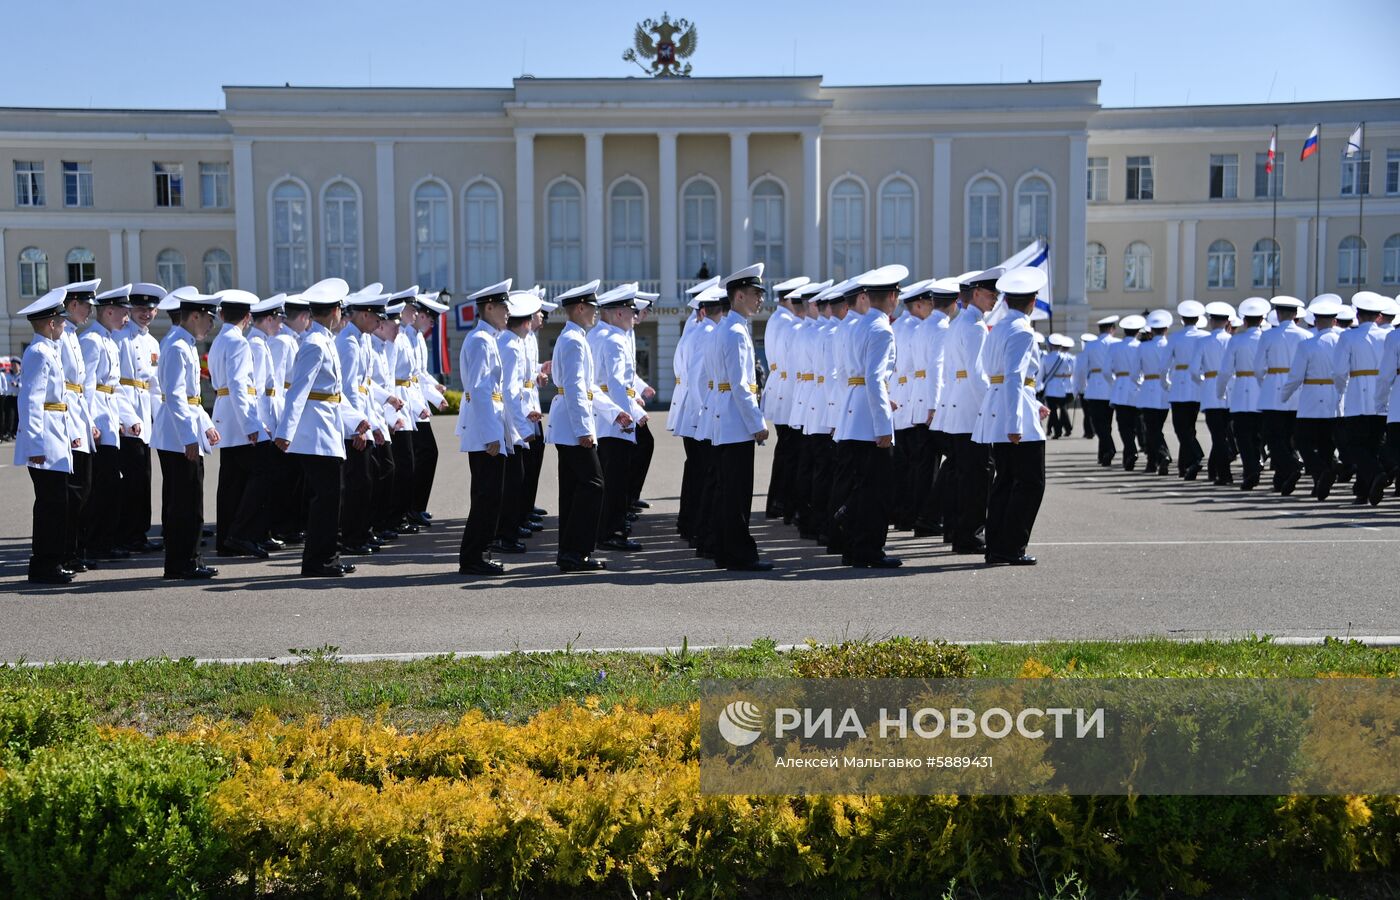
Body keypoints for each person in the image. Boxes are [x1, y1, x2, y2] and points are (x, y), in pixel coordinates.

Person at [275, 277, 361, 578]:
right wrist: (285, 432)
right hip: (315, 435)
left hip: (328, 428)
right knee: (325, 499)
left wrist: (357, 420)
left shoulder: (324, 340)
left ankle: (329, 555)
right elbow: (298, 391)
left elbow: (334, 394)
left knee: (332, 497)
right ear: (336, 310)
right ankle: (318, 560)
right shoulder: (314, 343)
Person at [546, 280, 629, 572]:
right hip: (572, 425)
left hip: (569, 422)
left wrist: (614, 411)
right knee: (594, 484)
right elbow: (575, 389)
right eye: (592, 307)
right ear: (580, 308)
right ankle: (577, 550)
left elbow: (588, 387)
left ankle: (569, 552)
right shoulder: (573, 340)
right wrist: (584, 430)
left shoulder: (575, 338)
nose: (596, 312)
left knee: (573, 487)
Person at [975, 267, 1050, 566]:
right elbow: (1015, 377)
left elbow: (999, 374)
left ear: (1006, 301)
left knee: (1005, 481)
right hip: (1014, 414)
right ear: (1032, 301)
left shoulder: (1000, 327)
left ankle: (996, 545)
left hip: (1005, 406)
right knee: (1030, 482)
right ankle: (1011, 545)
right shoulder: (1021, 330)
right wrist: (1015, 423)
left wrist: (1032, 402)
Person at [834, 264, 908, 568]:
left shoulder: (858, 325)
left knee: (860, 484)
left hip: (853, 411)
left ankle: (853, 546)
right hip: (868, 420)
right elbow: (875, 378)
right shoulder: (880, 328)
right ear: (892, 296)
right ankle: (870, 549)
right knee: (877, 489)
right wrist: (883, 425)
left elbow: (848, 375)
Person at [704, 264, 774, 572]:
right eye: (756, 294)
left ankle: (725, 550)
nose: (760, 299)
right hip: (735, 423)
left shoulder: (728, 328)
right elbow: (741, 386)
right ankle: (738, 553)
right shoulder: (734, 332)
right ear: (740, 295)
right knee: (736, 494)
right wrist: (757, 424)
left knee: (728, 493)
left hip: (727, 421)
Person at [151, 286, 222, 580]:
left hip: (180, 432)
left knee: (185, 499)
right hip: (177, 436)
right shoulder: (178, 346)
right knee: (185, 501)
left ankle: (186, 558)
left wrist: (205, 424)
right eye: (208, 318)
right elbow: (177, 396)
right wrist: (189, 438)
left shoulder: (183, 342)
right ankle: (183, 562)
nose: (210, 324)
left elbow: (191, 399)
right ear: (194, 316)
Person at [15, 288, 77, 584]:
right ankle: (44, 564)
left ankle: (52, 560)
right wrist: (36, 444)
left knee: (57, 504)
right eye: (62, 320)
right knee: (51, 506)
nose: (65, 325)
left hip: (55, 436)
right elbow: (30, 401)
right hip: (46, 442)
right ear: (51, 323)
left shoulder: (48, 350)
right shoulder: (39, 352)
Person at [938, 268, 1001, 555]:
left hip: (957, 403)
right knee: (977, 476)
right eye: (991, 294)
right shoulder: (975, 326)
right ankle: (970, 535)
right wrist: (992, 406)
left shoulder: (957, 322)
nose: (995, 300)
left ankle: (954, 528)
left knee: (962, 473)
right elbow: (978, 375)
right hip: (973, 407)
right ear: (975, 293)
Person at [456, 280, 514, 576]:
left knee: (490, 495)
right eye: (503, 307)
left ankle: (478, 553)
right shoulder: (480, 340)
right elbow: (479, 390)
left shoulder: (487, 338)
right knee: (486, 496)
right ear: (488, 307)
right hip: (484, 431)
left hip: (489, 426)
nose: (508, 313)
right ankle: (473, 557)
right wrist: (492, 435)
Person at [208, 289, 269, 558]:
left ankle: (226, 539)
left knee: (231, 481)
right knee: (264, 472)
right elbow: (238, 385)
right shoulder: (239, 343)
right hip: (238, 416)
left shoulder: (219, 340)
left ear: (222, 315)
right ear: (247, 317)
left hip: (225, 412)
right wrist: (251, 425)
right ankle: (242, 533)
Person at [590, 283, 648, 551]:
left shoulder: (600, 335)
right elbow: (616, 384)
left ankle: (606, 529)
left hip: (605, 415)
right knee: (616, 479)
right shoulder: (614, 339)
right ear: (617, 313)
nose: (634, 315)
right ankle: (611, 532)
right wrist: (629, 415)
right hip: (614, 418)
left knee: (610, 476)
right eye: (630, 310)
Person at [82, 285, 138, 560]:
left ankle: (106, 541)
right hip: (99, 421)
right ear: (109, 311)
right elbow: (87, 387)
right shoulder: (92, 340)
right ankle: (95, 543)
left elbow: (115, 389)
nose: (127, 318)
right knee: (102, 486)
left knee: (111, 485)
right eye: (124, 312)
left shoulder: (108, 340)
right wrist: (90, 422)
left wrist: (130, 419)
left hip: (110, 416)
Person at [337, 284, 391, 555]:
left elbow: (366, 389)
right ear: (364, 314)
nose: (380, 323)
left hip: (364, 420)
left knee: (368, 480)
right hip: (352, 426)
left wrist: (375, 425)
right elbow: (347, 390)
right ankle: (352, 537)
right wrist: (356, 429)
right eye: (377, 317)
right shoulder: (347, 343)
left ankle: (363, 531)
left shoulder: (363, 340)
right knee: (358, 483)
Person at [114, 283, 166, 552]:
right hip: (128, 414)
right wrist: (127, 417)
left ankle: (139, 532)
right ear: (130, 309)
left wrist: (161, 417)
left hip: (145, 413)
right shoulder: (119, 337)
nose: (145, 313)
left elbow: (154, 386)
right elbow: (117, 385)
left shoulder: (152, 342)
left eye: (150, 309)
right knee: (131, 478)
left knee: (143, 476)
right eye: (140, 308)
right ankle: (127, 533)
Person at [493, 290, 545, 553]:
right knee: (513, 481)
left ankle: (506, 532)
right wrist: (524, 427)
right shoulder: (511, 346)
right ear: (526, 323)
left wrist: (529, 412)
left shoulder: (509, 342)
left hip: (513, 418)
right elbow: (510, 392)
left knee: (515, 478)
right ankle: (505, 535)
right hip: (509, 424)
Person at [1280, 295, 1344, 500]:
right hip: (1335, 396)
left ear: (1315, 321)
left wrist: (1284, 395)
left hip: (1311, 398)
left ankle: (1319, 472)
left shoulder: (1308, 344)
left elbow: (1296, 376)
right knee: (1326, 442)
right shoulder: (1343, 340)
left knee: (1302, 440)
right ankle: (1320, 483)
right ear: (1335, 321)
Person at [909, 277, 959, 538]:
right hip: (932, 404)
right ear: (953, 303)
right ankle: (931, 516)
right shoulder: (941, 328)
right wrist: (934, 405)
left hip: (919, 401)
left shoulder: (923, 326)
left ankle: (923, 517)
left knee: (925, 466)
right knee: (954, 460)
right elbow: (936, 369)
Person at [670, 278, 719, 542]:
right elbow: (699, 377)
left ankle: (689, 523)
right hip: (699, 413)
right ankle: (696, 527)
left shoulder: (695, 329)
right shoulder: (705, 332)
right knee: (702, 473)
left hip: (693, 410)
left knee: (697, 471)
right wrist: (705, 413)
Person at [57, 279, 100, 572]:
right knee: (72, 492)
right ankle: (66, 552)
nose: (89, 312)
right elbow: (63, 388)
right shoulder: (60, 336)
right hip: (67, 418)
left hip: (79, 416)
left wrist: (89, 422)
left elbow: (82, 387)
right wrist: (72, 427)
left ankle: (75, 550)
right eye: (86, 306)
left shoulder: (72, 334)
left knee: (83, 489)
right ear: (73, 305)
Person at [760, 276, 811, 521]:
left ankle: (778, 503)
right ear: (790, 299)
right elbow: (795, 365)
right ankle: (786, 504)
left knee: (786, 452)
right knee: (793, 454)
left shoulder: (776, 320)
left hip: (779, 390)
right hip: (790, 393)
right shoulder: (791, 324)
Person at [1333, 292, 1389, 505]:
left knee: (1356, 444)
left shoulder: (1348, 336)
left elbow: (1339, 371)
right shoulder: (1388, 335)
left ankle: (1375, 474)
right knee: (1373, 443)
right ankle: (1363, 490)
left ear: (1358, 315)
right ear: (1378, 316)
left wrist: (1342, 389)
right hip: (1383, 394)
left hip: (1357, 393)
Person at [889, 276, 931, 530]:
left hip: (898, 395)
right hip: (914, 395)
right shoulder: (917, 329)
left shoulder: (897, 326)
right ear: (917, 305)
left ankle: (899, 513)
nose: (932, 307)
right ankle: (914, 513)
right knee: (919, 465)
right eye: (928, 303)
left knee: (901, 464)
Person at [268, 292, 311, 543]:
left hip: (292, 410)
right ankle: (283, 526)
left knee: (296, 475)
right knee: (286, 476)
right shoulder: (283, 341)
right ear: (304, 317)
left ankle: (293, 524)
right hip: (284, 410)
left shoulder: (293, 340)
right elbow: (274, 382)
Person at [404, 292, 449, 527]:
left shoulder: (418, 338)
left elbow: (420, 374)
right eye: (430, 319)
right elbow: (407, 379)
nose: (432, 323)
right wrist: (427, 400)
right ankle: (410, 508)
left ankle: (417, 506)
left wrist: (435, 391)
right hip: (408, 405)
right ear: (420, 315)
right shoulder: (405, 336)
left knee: (425, 454)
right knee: (418, 456)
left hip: (417, 403)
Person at [1256, 296, 1309, 494]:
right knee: (1289, 437)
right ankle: (1282, 479)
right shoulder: (1304, 335)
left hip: (1273, 390)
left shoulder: (1268, 336)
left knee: (1273, 437)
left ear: (1277, 315)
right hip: (1298, 390)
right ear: (1295, 315)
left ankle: (1289, 467)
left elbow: (1258, 367)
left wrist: (1267, 383)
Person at [1216, 297, 1269, 490]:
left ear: (1245, 321)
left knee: (1243, 435)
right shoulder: (1268, 337)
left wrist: (1220, 392)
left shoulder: (1236, 340)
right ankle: (1255, 466)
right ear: (1262, 320)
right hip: (1263, 390)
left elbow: (1225, 371)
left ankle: (1251, 469)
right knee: (1257, 435)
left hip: (1241, 391)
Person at [248, 295, 286, 549]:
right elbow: (259, 389)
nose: (282, 325)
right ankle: (259, 531)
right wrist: (263, 422)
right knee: (264, 480)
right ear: (269, 319)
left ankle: (263, 530)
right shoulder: (257, 345)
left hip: (269, 414)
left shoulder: (260, 342)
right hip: (263, 417)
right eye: (278, 320)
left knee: (270, 479)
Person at [1194, 302, 1237, 485]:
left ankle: (1223, 473)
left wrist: (1204, 383)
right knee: (1226, 434)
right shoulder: (1233, 340)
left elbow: (1194, 370)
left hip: (1211, 390)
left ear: (1211, 321)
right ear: (1228, 321)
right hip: (1232, 389)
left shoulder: (1203, 341)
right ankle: (1218, 471)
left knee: (1217, 436)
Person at [1165, 301, 1207, 480]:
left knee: (1181, 427)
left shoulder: (1174, 338)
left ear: (1182, 319)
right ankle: (1185, 466)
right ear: (1198, 319)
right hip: (1198, 384)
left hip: (1180, 384)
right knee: (1189, 427)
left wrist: (1166, 385)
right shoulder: (1205, 336)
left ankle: (1196, 455)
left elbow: (1163, 366)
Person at [1136, 310, 1173, 475]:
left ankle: (1161, 457)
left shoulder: (1143, 347)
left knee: (1152, 429)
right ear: (1166, 329)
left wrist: (1138, 384)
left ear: (1151, 330)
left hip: (1148, 389)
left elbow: (1134, 372)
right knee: (1156, 428)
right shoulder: (1170, 344)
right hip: (1166, 390)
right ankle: (1154, 462)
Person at [1107, 315, 1145, 471]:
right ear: (1138, 332)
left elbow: (1105, 371)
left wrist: (1115, 383)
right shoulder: (1141, 346)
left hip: (1121, 387)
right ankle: (1135, 450)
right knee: (1138, 423)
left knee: (1123, 426)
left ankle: (1130, 451)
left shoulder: (1115, 347)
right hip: (1139, 387)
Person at [1081, 315, 1120, 466]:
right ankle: (1103, 455)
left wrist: (1079, 387)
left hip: (1095, 387)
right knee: (1107, 424)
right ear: (1112, 329)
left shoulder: (1090, 345)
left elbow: (1081, 369)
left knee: (1098, 423)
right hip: (1114, 385)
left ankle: (1108, 449)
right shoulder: (1118, 343)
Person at [1040, 334, 1076, 439]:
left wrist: (1039, 386)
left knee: (1053, 411)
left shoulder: (1046, 358)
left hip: (1050, 386)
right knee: (1063, 408)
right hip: (1064, 386)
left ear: (1050, 345)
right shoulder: (1068, 358)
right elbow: (1074, 372)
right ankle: (1066, 428)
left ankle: (1057, 432)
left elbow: (1042, 373)